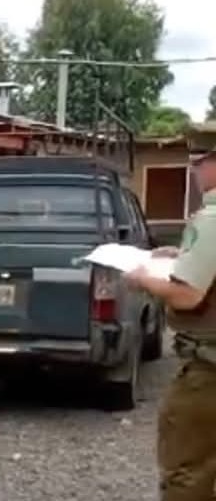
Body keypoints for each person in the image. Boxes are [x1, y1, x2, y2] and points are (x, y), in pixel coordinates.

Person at [124, 122, 216, 501]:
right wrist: (184, 256)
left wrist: (143, 278)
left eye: (198, 162)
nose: (194, 172)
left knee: (187, 472)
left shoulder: (211, 218)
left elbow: (187, 295)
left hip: (208, 371)